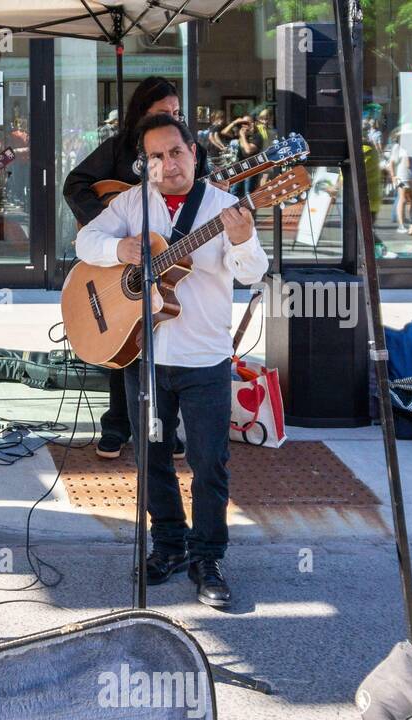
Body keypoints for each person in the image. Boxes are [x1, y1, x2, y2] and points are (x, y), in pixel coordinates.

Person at [75, 114, 269, 609]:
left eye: (176, 152)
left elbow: (252, 275)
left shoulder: (225, 207)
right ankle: (168, 546)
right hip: (146, 353)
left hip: (204, 357)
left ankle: (208, 556)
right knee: (152, 458)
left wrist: (244, 238)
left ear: (194, 154)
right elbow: (84, 243)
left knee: (209, 462)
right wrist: (119, 246)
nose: (168, 163)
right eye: (156, 156)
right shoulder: (130, 203)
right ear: (146, 163)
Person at [62, 76, 201, 462]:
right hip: (122, 258)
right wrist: (108, 220)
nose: (171, 119)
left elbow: (198, 195)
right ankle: (116, 426)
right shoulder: (118, 149)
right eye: (162, 113)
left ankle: (164, 430)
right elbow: (76, 184)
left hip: (173, 257)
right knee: (122, 339)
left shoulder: (191, 150)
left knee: (165, 338)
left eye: (176, 113)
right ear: (141, 114)